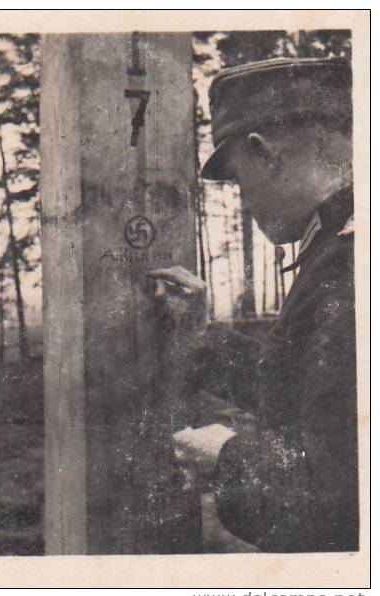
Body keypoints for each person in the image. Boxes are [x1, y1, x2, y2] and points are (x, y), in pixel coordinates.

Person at [150, 57, 358, 552]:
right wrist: (202, 339)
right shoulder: (337, 245)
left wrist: (226, 457)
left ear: (265, 154)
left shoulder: (349, 266)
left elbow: (337, 505)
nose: (243, 200)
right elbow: (305, 385)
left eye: (239, 181)